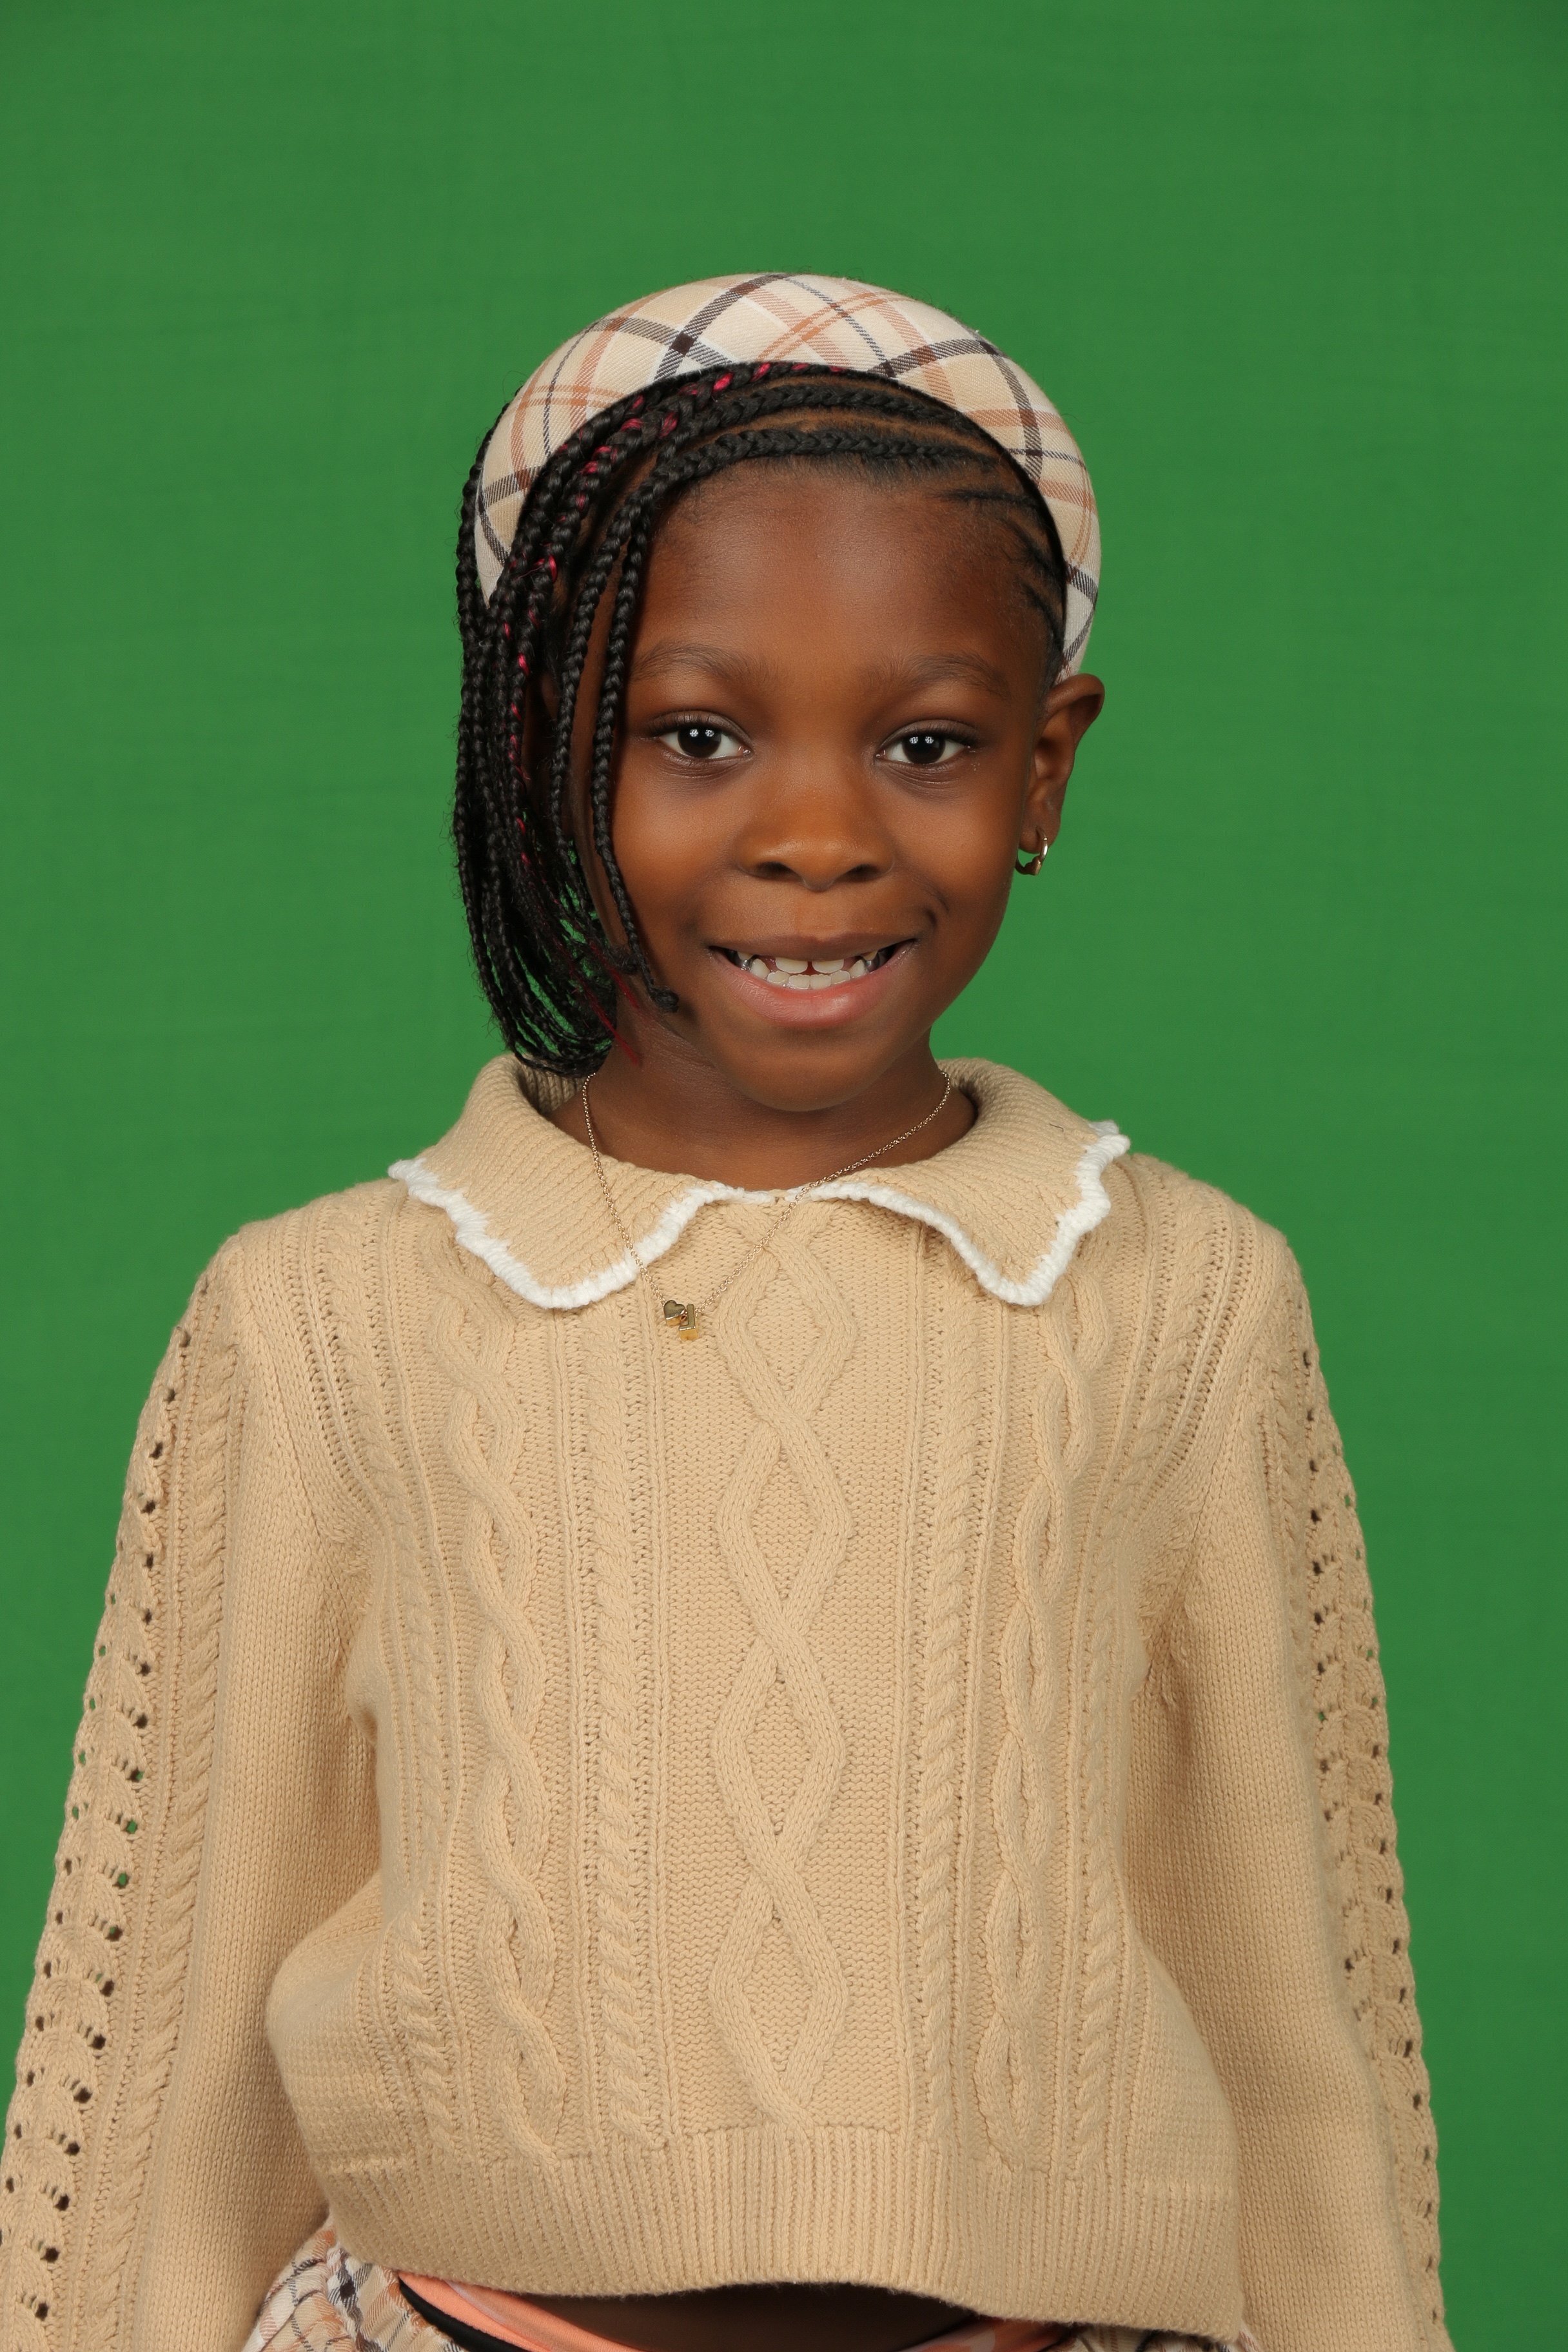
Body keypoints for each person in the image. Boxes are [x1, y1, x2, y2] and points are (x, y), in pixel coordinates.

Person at [0, 275, 1449, 2352]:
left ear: (1046, 769)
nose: (817, 837)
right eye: (698, 735)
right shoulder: (319, 1317)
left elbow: (1302, 2009)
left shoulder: (1189, 1299)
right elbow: (178, 2021)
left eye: (927, 744)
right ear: (543, 749)